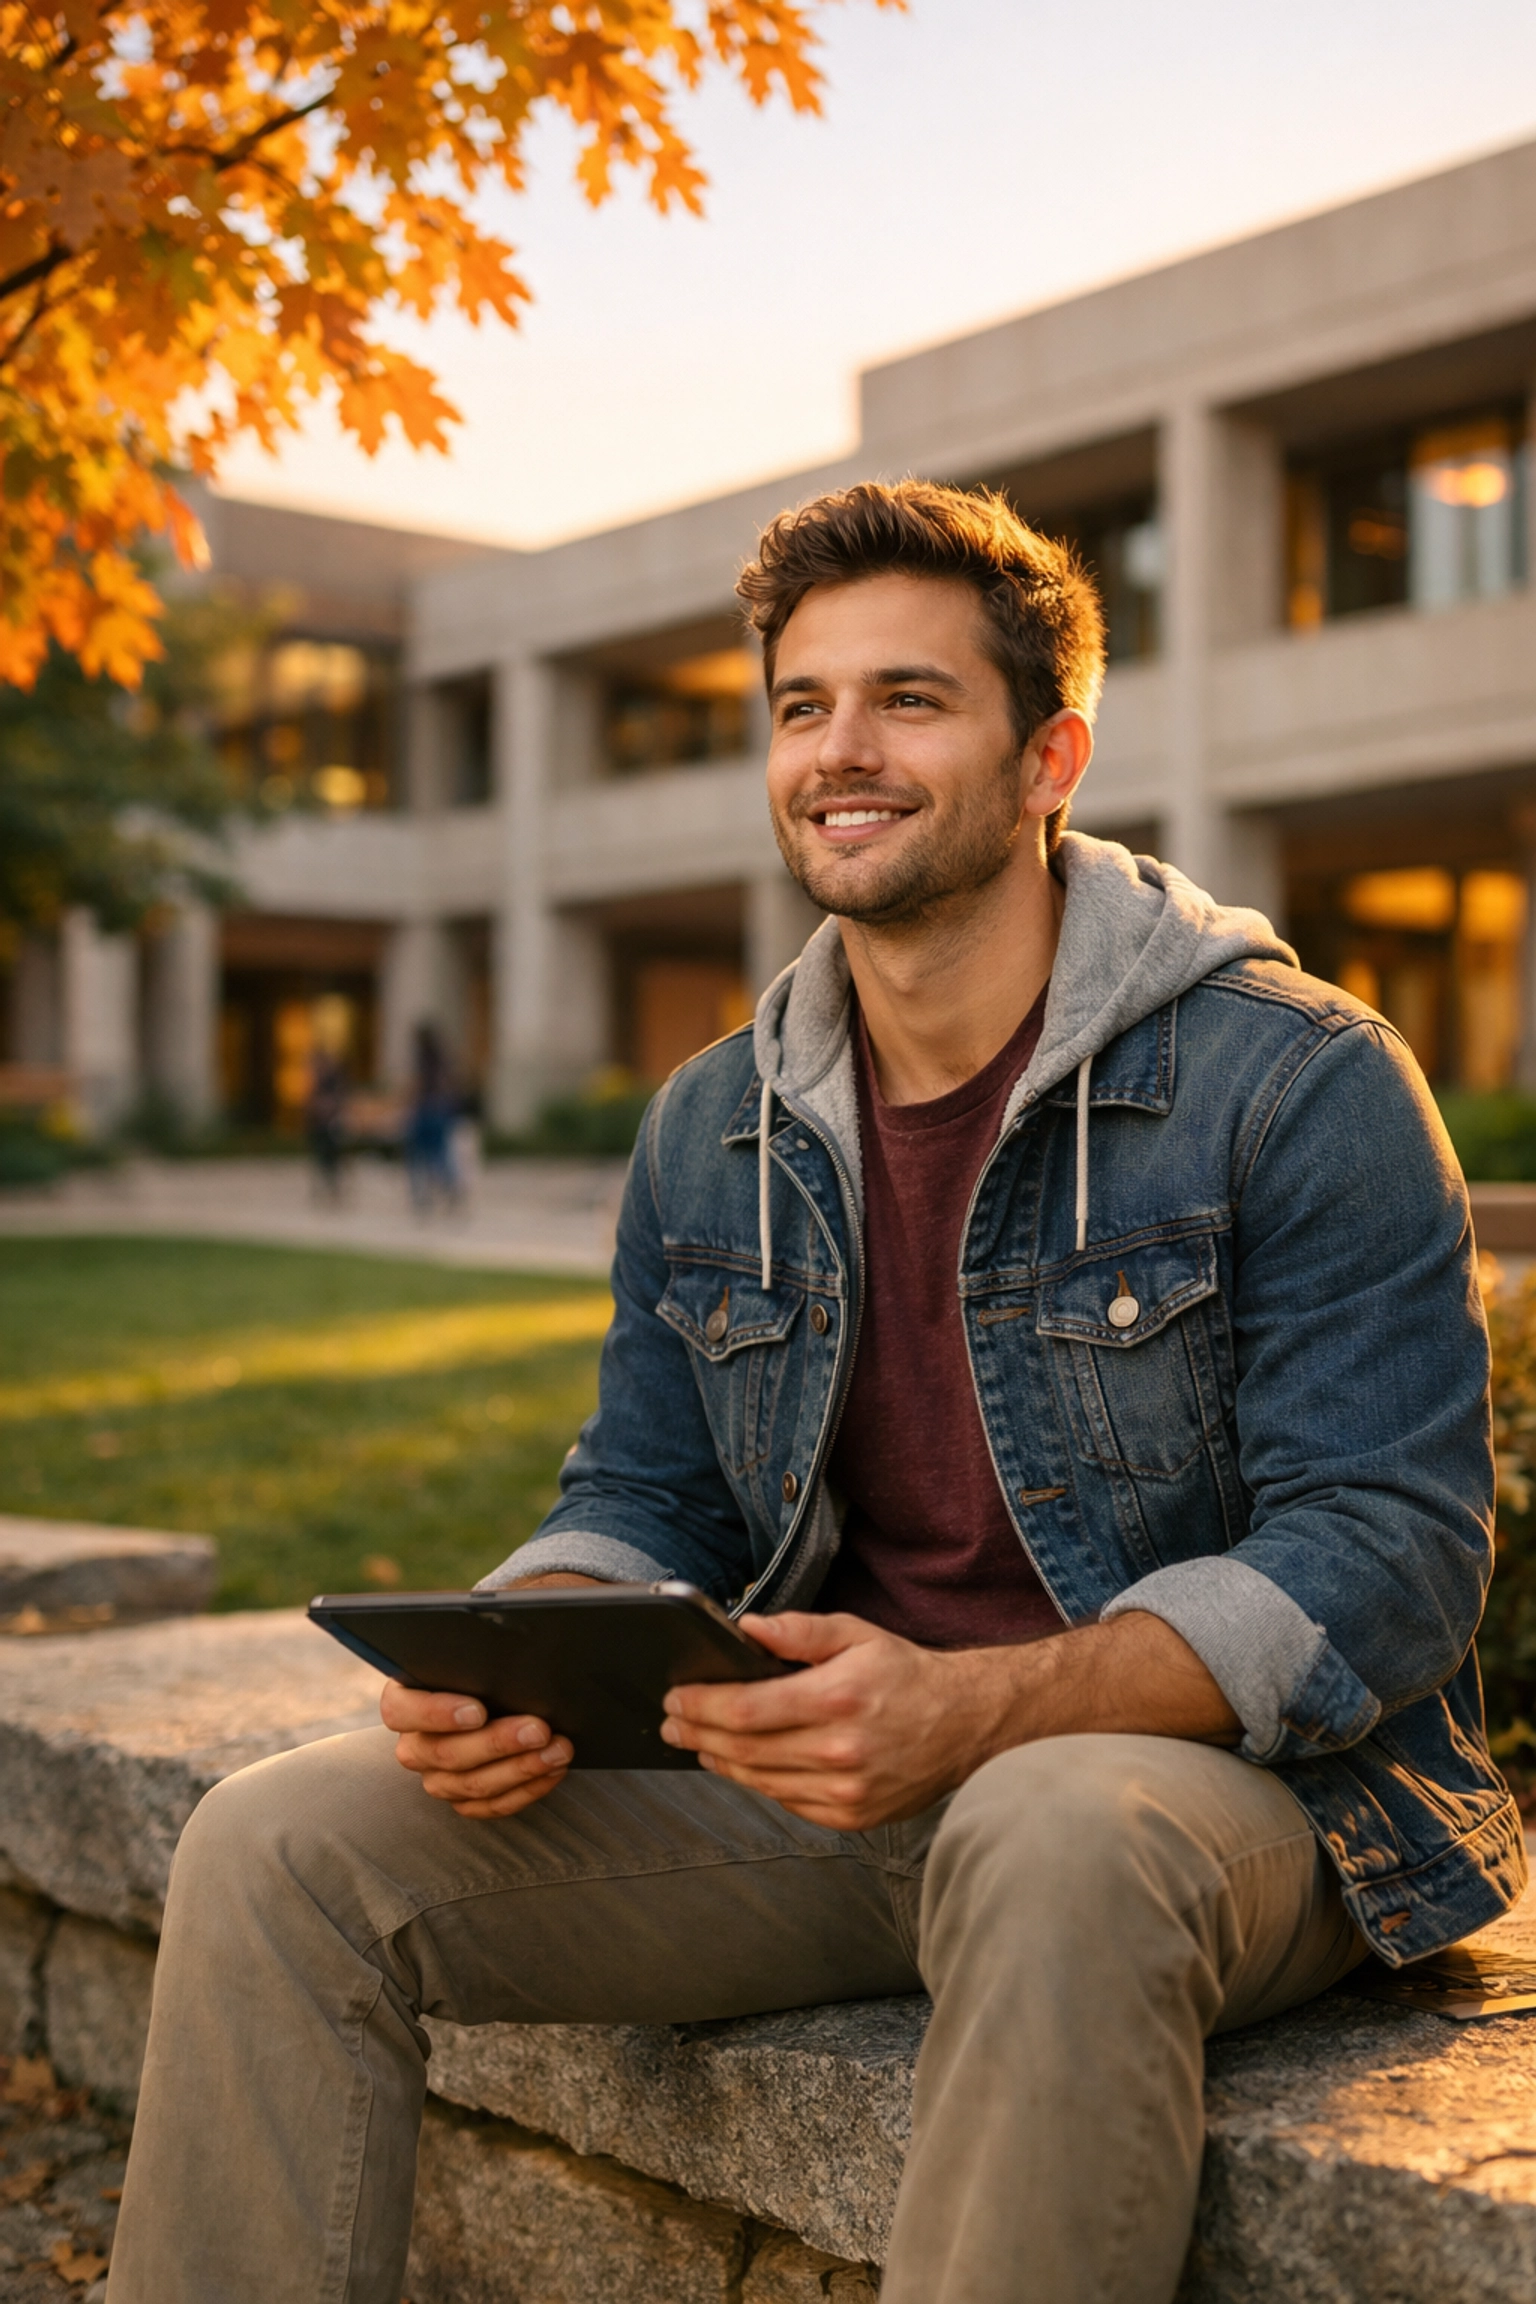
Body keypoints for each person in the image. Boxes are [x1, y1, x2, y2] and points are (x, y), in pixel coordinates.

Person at [109, 483, 1524, 2304]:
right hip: (824, 1784)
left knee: (1047, 1827)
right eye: (801, 705)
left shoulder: (1297, 1079)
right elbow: (648, 1488)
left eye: (908, 699)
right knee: (277, 1841)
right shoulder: (716, 1120)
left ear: (1049, 760)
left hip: (1229, 1800)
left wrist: (975, 1707)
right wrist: (530, 1644)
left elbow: (1389, 1553)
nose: (839, 750)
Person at [404, 1020, 460, 1213]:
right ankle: (449, 1186)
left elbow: (418, 1084)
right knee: (440, 1153)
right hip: (441, 1109)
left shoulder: (423, 1058)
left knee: (418, 1155)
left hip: (426, 1109)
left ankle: (421, 1194)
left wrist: (407, 1102)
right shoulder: (443, 1059)